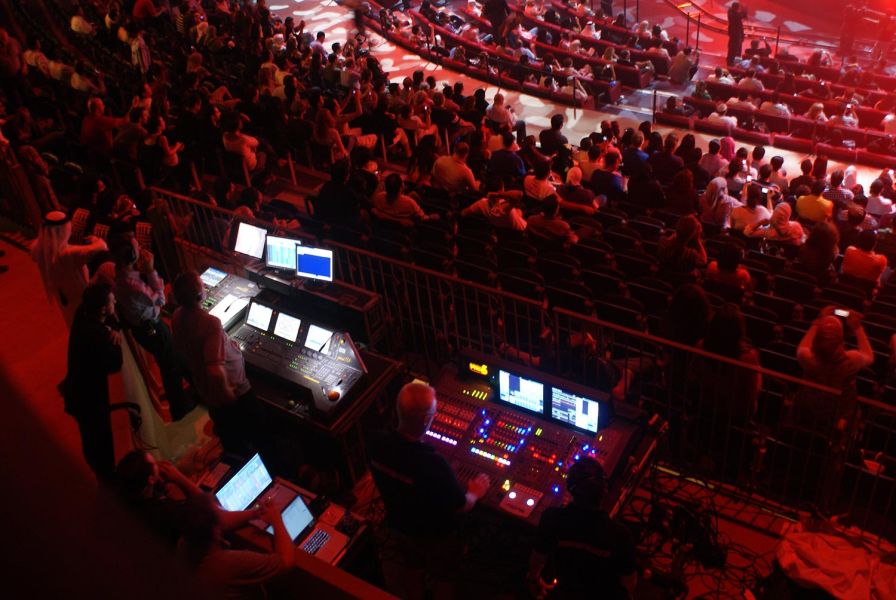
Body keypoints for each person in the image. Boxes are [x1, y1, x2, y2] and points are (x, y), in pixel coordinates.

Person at [368, 382, 490, 600]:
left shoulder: (376, 443)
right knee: (445, 578)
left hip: (400, 526)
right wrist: (474, 492)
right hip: (437, 537)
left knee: (411, 565)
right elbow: (461, 506)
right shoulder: (432, 463)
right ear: (426, 420)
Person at [171, 271, 260, 455]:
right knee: (256, 430)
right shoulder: (211, 323)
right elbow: (215, 370)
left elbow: (182, 347)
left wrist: (226, 345)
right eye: (202, 284)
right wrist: (229, 397)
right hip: (233, 393)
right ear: (199, 295)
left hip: (207, 392)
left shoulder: (177, 315)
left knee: (228, 432)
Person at [527, 456, 636, 599]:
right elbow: (628, 582)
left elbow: (537, 559)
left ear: (571, 488)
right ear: (605, 491)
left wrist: (534, 581)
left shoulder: (552, 518)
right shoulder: (621, 535)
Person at [111, 242, 192, 421]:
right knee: (170, 368)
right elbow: (161, 299)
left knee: (175, 357)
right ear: (132, 257)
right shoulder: (134, 284)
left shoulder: (117, 273)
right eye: (137, 249)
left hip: (141, 328)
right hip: (152, 328)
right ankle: (179, 410)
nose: (141, 251)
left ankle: (197, 388)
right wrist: (150, 270)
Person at [180, 493, 294, 599]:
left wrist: (255, 512)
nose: (224, 515)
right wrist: (277, 519)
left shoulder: (185, 545)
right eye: (220, 512)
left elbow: (224, 521)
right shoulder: (228, 563)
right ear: (215, 529)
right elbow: (285, 561)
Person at [63, 283, 122, 481]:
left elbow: (112, 321)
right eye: (112, 301)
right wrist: (115, 342)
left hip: (77, 391)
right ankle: (106, 475)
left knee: (90, 435)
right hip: (88, 398)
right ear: (103, 309)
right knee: (98, 436)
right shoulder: (96, 336)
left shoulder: (84, 313)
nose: (115, 301)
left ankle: (101, 469)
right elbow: (114, 364)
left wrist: (111, 328)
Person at [795, 308, 873, 431]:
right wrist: (857, 327)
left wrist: (818, 322)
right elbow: (869, 356)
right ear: (841, 340)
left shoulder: (807, 358)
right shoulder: (850, 361)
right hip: (837, 416)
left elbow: (802, 347)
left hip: (807, 412)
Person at [32, 211, 109, 327]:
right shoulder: (67, 254)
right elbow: (102, 247)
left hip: (63, 295)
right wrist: (95, 240)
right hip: (80, 292)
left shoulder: (37, 248)